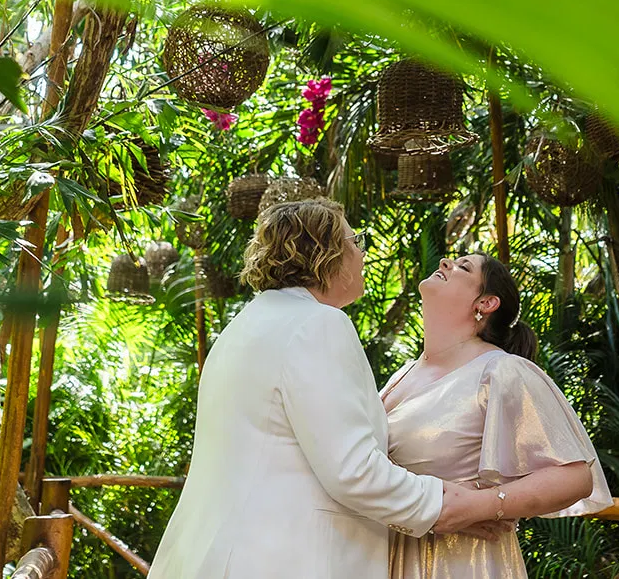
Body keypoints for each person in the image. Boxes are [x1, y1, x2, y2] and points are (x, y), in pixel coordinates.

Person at [148, 200, 504, 579]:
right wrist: (446, 507)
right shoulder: (317, 324)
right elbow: (352, 470)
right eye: (356, 241)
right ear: (326, 253)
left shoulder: (242, 327)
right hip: (284, 559)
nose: (363, 253)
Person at [382, 252, 613, 578]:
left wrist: (482, 505)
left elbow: (575, 476)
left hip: (461, 561)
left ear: (486, 303)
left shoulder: (503, 372)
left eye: (463, 266)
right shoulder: (402, 374)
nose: (445, 262)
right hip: (385, 554)